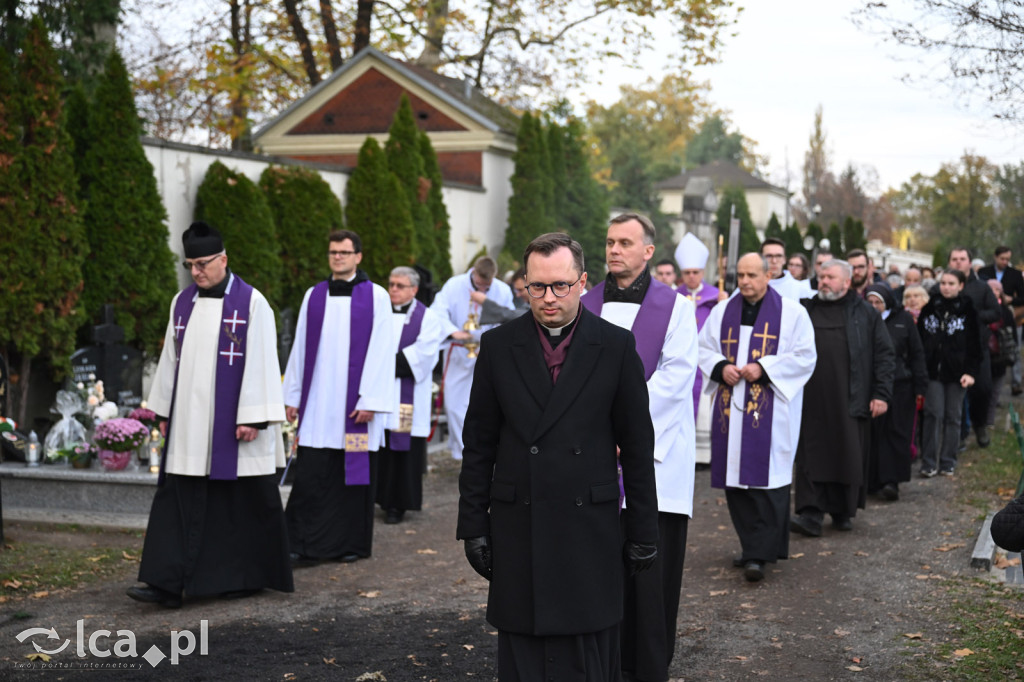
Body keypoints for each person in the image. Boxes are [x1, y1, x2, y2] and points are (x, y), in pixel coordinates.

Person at [456, 232, 659, 682]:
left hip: (588, 525)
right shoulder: (498, 346)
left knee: (587, 646)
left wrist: (644, 529)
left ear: (582, 282)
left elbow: (638, 447)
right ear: (524, 286)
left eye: (561, 285)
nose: (549, 298)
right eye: (537, 286)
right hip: (520, 521)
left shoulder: (615, 346)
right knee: (525, 646)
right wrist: (472, 525)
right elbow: (479, 444)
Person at [128, 221, 292, 608]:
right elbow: (170, 359)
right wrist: (163, 409)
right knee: (177, 500)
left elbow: (263, 361)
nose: (196, 272)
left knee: (236, 505)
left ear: (224, 259)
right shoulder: (181, 302)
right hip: (189, 424)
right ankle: (164, 583)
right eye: (190, 265)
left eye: (203, 264)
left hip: (236, 429)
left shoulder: (252, 303)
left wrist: (253, 416)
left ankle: (241, 579)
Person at [581, 213, 697, 682]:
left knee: (650, 571)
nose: (614, 250)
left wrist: (623, 432)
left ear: (648, 251)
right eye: (610, 241)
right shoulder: (583, 303)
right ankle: (600, 659)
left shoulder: (676, 308)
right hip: (592, 457)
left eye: (625, 243)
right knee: (596, 562)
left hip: (656, 459)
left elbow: (675, 377)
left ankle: (647, 663)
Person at [697, 253, 816, 582]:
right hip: (731, 411)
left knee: (767, 483)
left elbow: (805, 356)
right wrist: (721, 367)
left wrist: (764, 367)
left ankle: (759, 554)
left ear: (768, 276)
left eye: (752, 275)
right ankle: (751, 546)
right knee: (736, 482)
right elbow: (703, 348)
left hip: (771, 414)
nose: (745, 281)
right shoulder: (722, 311)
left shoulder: (792, 314)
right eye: (741, 275)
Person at [283, 229, 395, 565]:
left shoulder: (376, 296)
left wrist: (370, 400)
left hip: (356, 406)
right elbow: (300, 346)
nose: (338, 258)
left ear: (358, 256)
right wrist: (292, 395)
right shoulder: (314, 295)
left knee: (352, 479)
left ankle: (350, 544)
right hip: (319, 404)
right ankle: (301, 544)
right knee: (311, 475)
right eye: (333, 252)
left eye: (344, 252)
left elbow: (383, 349)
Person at [792, 260, 894, 536]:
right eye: (821, 276)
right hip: (810, 397)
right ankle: (811, 513)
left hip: (851, 395)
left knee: (846, 453)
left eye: (830, 277)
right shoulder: (805, 310)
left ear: (847, 282)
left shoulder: (865, 313)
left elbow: (884, 355)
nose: (823, 281)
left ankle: (842, 511)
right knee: (811, 454)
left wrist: (881, 394)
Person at [376, 266, 453, 525]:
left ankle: (397, 504)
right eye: (391, 284)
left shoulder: (428, 318)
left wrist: (380, 364)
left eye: (400, 285)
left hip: (406, 396)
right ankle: (378, 498)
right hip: (380, 395)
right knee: (380, 448)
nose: (393, 290)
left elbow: (422, 357)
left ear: (414, 289)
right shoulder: (379, 312)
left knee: (402, 452)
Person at [431, 256, 515, 460]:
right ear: (473, 273)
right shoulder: (454, 285)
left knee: (485, 405)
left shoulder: (502, 290)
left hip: (487, 353)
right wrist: (453, 332)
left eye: (487, 287)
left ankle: (485, 452)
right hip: (459, 352)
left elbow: (508, 319)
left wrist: (491, 340)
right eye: (479, 285)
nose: (483, 289)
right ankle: (465, 454)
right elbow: (437, 312)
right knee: (454, 406)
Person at [864, 285, 928, 501]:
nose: (874, 307)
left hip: (901, 384)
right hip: (870, 384)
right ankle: (871, 480)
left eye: (878, 303)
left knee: (896, 433)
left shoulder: (903, 319)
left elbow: (916, 353)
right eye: (870, 302)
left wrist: (920, 386)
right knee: (872, 434)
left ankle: (891, 480)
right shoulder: (862, 319)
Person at [917, 269, 980, 477]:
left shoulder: (968, 310)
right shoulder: (930, 308)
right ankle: (928, 462)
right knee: (933, 414)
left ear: (960, 286)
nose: (946, 287)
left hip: (958, 373)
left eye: (951, 283)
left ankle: (948, 461)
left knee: (953, 416)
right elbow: (919, 340)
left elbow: (976, 346)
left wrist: (970, 372)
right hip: (932, 372)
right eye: (943, 283)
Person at [940, 247, 1000, 448]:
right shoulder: (942, 287)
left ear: (969, 262)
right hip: (949, 351)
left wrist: (974, 317)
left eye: (962, 258)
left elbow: (996, 312)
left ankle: (979, 425)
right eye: (954, 259)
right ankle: (957, 436)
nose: (958, 262)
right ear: (949, 262)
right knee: (953, 394)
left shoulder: (981, 288)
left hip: (977, 349)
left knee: (982, 389)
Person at [675, 232, 721, 470]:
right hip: (680, 361)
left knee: (704, 407)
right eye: (687, 272)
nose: (691, 276)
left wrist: (723, 303)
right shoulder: (672, 297)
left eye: (695, 272)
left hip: (704, 362)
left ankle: (702, 456)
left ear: (702, 272)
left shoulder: (716, 297)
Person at [978, 246, 1024, 396]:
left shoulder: (1015, 274)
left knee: (1012, 348)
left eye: (1007, 259)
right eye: (1002, 259)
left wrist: (1012, 300)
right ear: (995, 257)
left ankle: (1015, 382)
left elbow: (1022, 297)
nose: (1005, 262)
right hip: (987, 316)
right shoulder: (984, 272)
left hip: (1008, 315)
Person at [984, 279, 1017, 429]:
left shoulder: (1006, 312)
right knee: (983, 389)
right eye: (990, 289)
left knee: (995, 391)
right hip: (984, 356)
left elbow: (1012, 336)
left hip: (1000, 356)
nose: (993, 292)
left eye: (996, 289)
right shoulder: (980, 309)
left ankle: (989, 420)